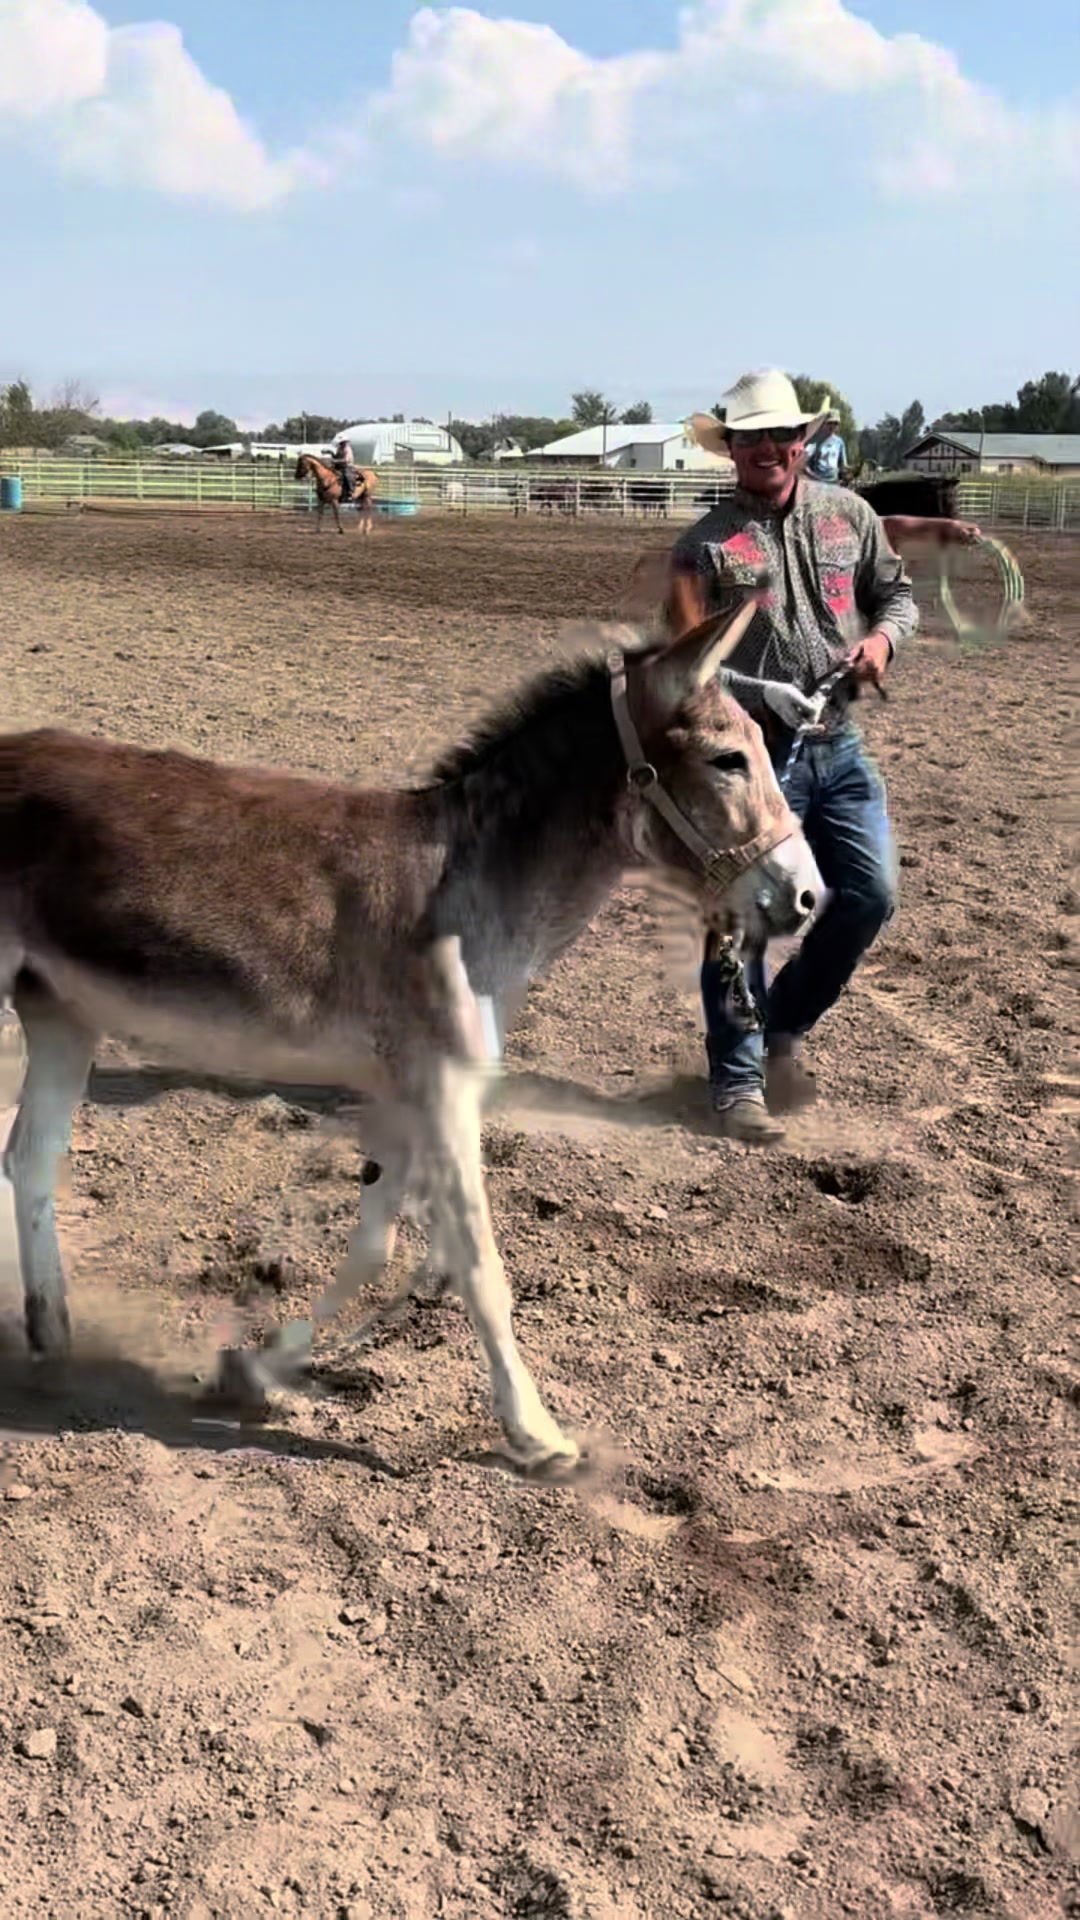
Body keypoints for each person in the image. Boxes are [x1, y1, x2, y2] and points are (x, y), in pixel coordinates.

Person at [674, 370, 918, 1143]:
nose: (767, 448)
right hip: (749, 757)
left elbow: (897, 597)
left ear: (803, 439)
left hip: (838, 744)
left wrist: (881, 642)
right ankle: (737, 1081)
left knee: (871, 895)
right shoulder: (703, 548)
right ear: (732, 448)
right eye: (750, 437)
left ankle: (784, 1021)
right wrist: (755, 690)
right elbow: (682, 665)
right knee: (740, 915)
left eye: (781, 434)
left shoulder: (851, 516)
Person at [805, 409, 848, 486]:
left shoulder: (839, 442)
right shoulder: (814, 441)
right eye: (830, 423)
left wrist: (848, 473)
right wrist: (812, 476)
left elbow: (843, 465)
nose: (832, 426)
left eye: (835, 423)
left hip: (833, 482)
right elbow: (804, 464)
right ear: (824, 423)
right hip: (817, 482)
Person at [332, 435, 356, 504]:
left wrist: (335, 461)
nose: (341, 444)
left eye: (342, 442)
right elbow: (336, 456)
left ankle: (350, 492)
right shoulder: (339, 449)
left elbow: (346, 460)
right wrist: (331, 454)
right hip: (339, 466)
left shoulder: (347, 449)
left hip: (347, 466)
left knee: (347, 475)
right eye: (340, 442)